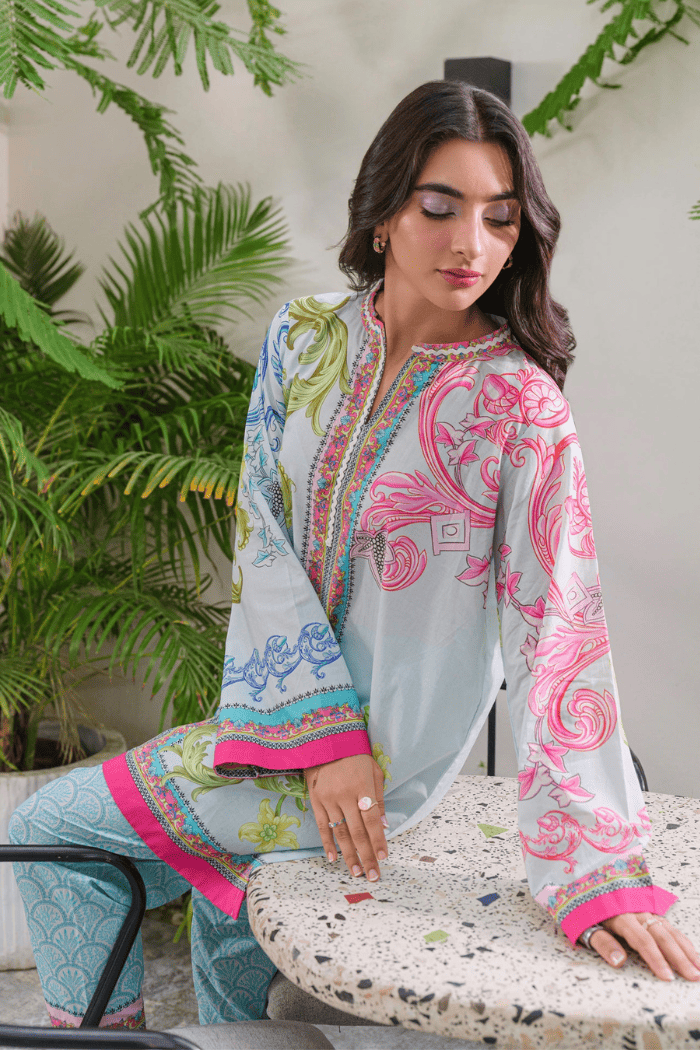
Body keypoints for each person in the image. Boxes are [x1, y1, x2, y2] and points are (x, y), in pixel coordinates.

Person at [10, 80, 700, 1030]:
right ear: (382, 215)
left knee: (48, 830)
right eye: (440, 206)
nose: (471, 244)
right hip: (274, 726)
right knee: (220, 942)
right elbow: (260, 530)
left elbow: (558, 631)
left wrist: (597, 871)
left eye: (500, 218)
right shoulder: (303, 338)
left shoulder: (519, 410)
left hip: (386, 770)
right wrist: (318, 736)